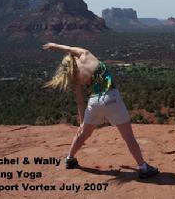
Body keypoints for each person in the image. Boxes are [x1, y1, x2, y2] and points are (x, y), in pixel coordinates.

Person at [43, 42, 159, 179]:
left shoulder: (74, 76)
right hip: (111, 97)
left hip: (94, 102)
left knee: (84, 134)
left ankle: (69, 158)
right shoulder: (85, 54)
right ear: (74, 56)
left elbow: (80, 102)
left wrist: (82, 123)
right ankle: (143, 167)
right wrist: (54, 46)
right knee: (128, 136)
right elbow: (68, 48)